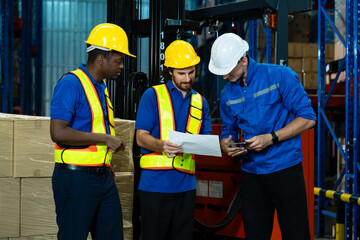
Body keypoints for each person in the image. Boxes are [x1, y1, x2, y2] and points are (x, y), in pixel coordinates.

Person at [208, 33, 316, 240]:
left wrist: (271, 138)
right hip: (252, 174)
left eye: (227, 70)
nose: (224, 77)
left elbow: (308, 118)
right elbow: (228, 131)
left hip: (286, 169)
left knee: (296, 234)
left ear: (244, 60)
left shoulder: (280, 76)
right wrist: (226, 145)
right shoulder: (227, 94)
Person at [50, 23, 136, 240]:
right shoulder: (71, 83)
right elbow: (58, 132)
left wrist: (104, 163)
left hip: (103, 178)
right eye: (119, 61)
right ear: (101, 59)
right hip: (75, 178)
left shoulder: (101, 89)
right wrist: (105, 139)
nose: (122, 66)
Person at [135, 40, 212, 240]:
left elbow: (205, 141)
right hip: (155, 186)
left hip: (186, 187)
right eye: (181, 73)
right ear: (169, 71)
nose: (187, 78)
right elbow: (140, 138)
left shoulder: (200, 102)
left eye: (191, 72)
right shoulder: (152, 96)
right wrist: (162, 145)